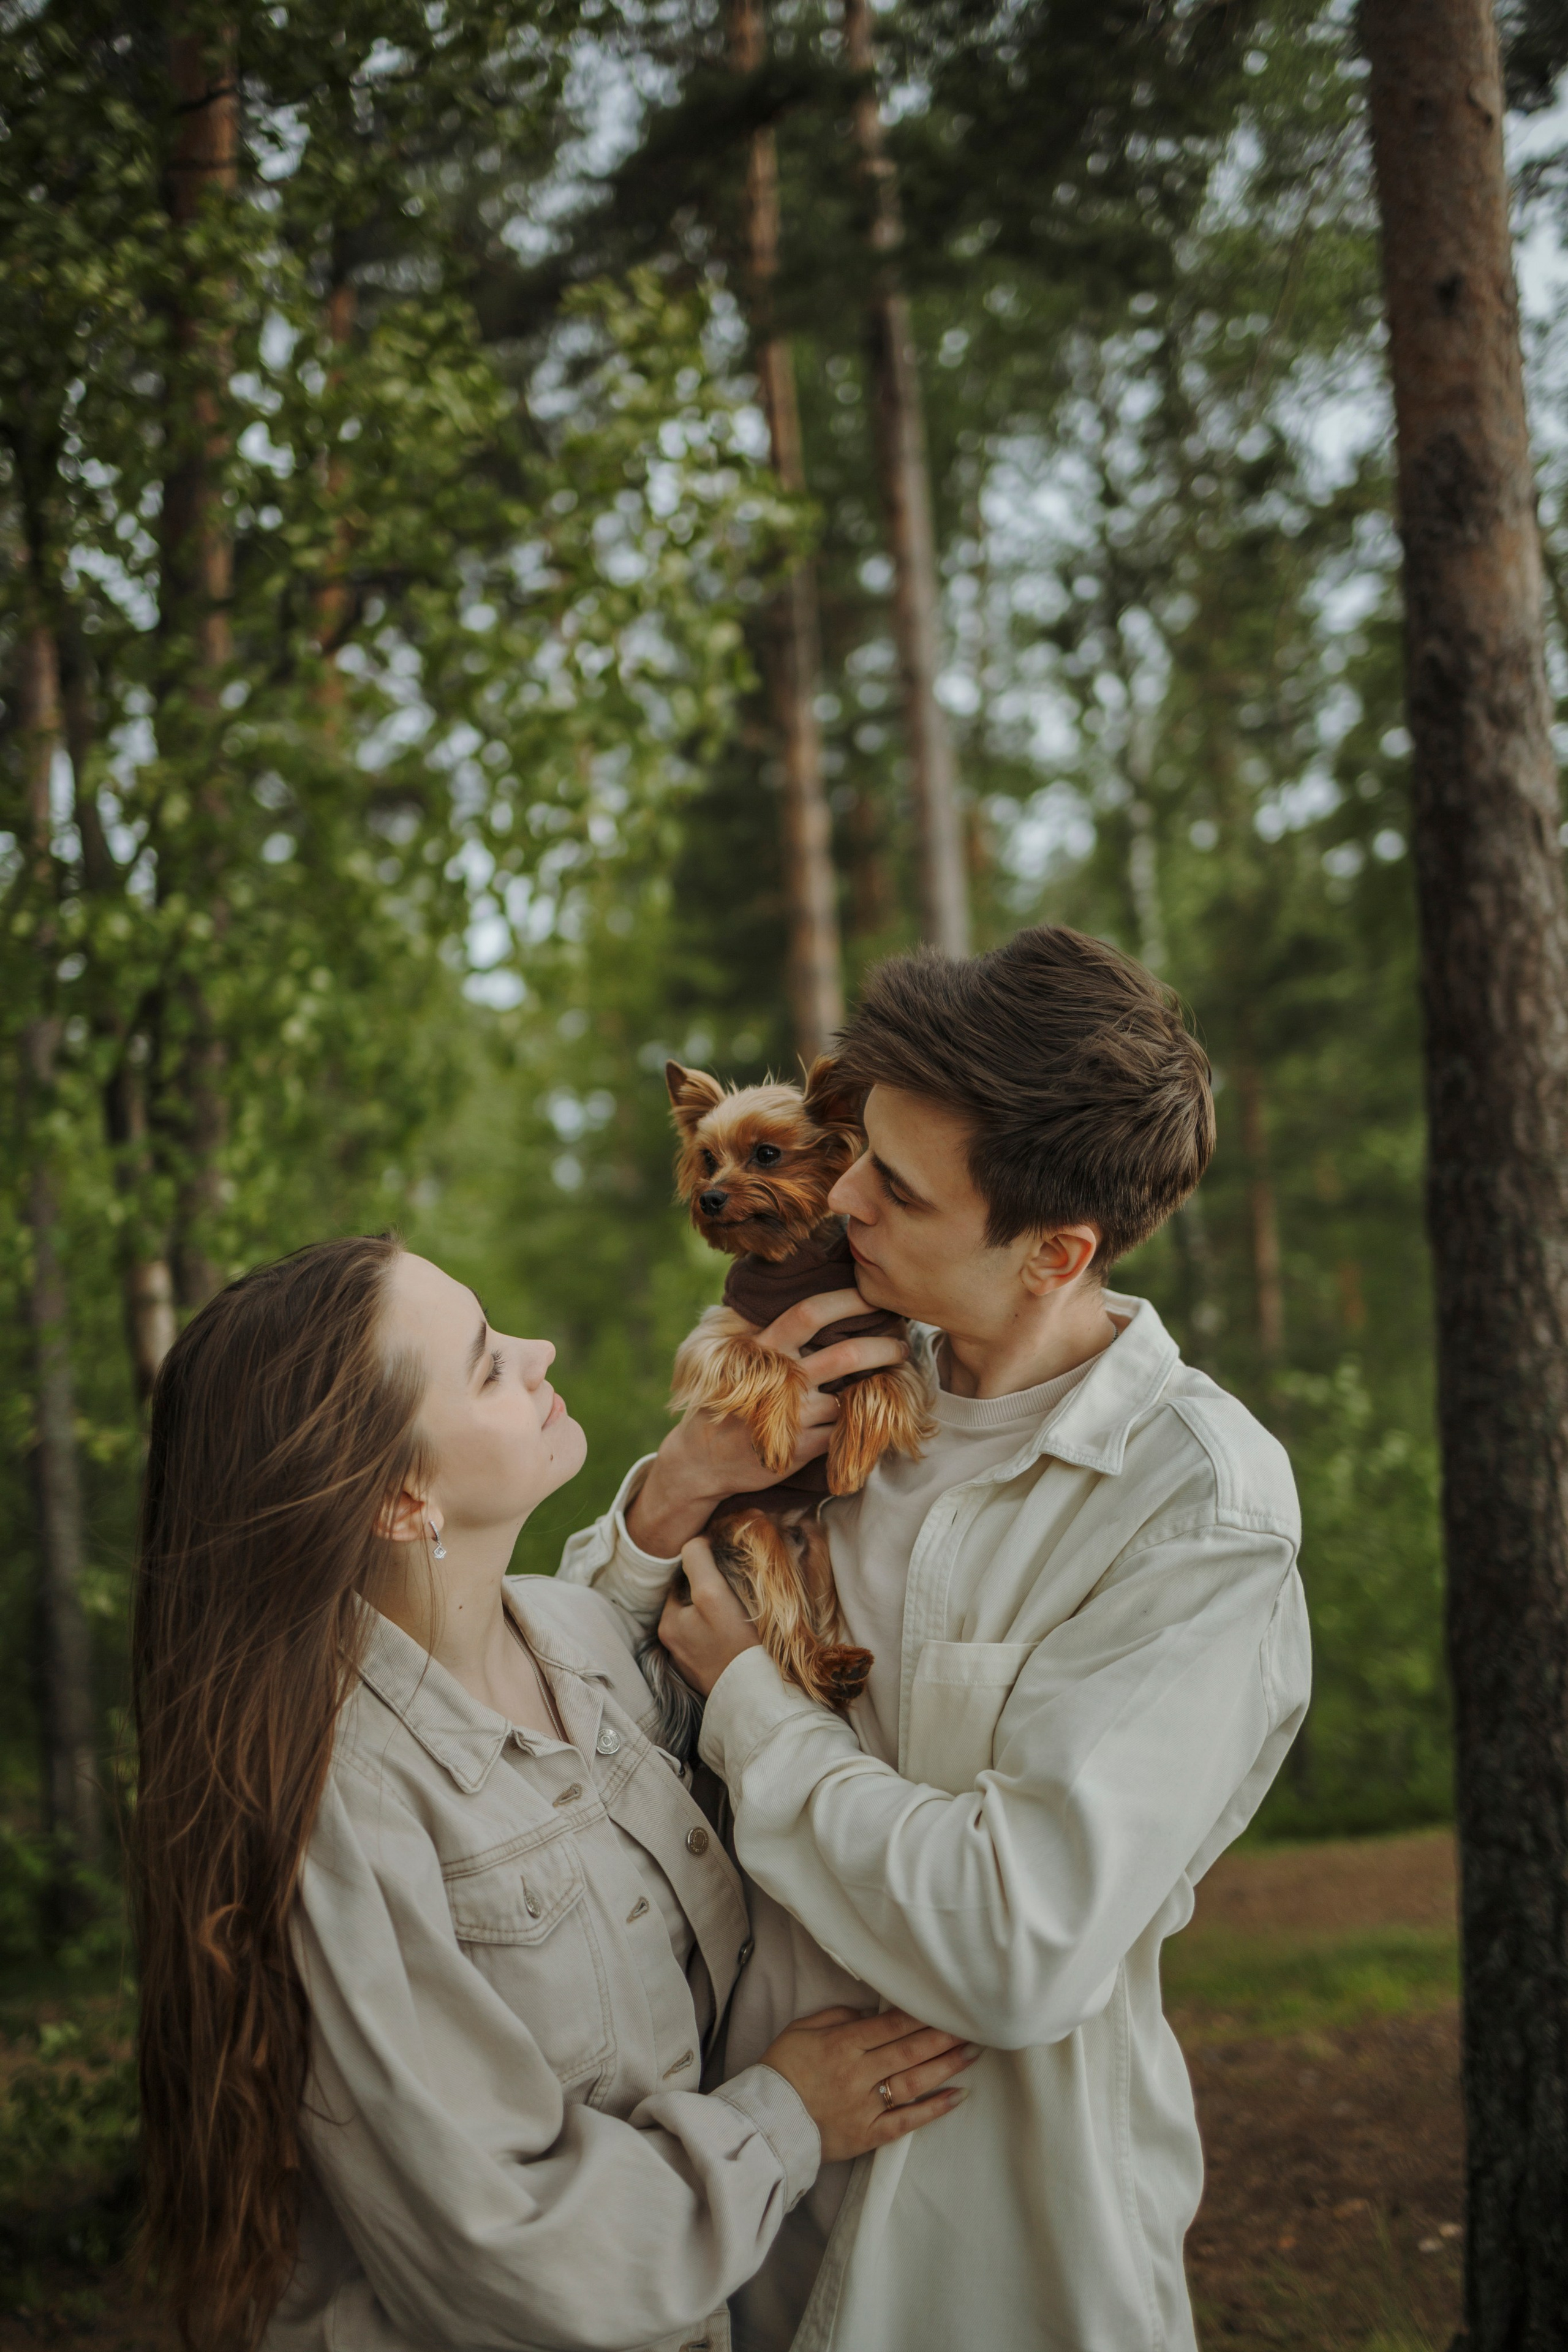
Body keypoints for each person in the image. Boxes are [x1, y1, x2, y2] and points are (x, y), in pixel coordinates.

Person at [560, 925, 1311, 2352]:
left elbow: (1013, 1945)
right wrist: (672, 1493)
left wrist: (754, 1709)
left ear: (1054, 1252)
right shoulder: (818, 1378)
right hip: (736, 2213)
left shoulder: (1188, 1509)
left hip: (997, 2251)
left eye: (891, 1186)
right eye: (851, 1152)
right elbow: (568, 1720)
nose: (836, 1194)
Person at [130, 1235, 974, 2352]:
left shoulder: (564, 1639)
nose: (540, 1351)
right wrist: (786, 2120)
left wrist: (685, 1481)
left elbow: (607, 1623)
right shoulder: (343, 1804)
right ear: (401, 1499)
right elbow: (500, 2249)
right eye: (487, 1366)